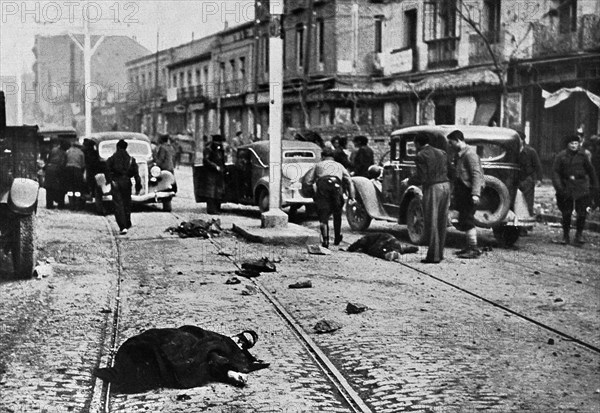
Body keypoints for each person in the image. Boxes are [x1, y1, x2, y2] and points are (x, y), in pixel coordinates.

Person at [408, 133, 451, 264]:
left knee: (432, 220)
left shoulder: (420, 155)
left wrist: (409, 181)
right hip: (446, 186)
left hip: (433, 188)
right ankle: (440, 253)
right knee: (442, 221)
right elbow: (451, 169)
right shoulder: (442, 152)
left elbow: (422, 178)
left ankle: (433, 256)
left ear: (417, 143)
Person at [303, 147, 355, 248]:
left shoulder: (318, 165)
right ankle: (337, 238)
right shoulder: (340, 166)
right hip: (337, 187)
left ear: (322, 156)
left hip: (323, 186)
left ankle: (325, 241)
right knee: (337, 213)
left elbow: (308, 180)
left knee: (323, 215)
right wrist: (351, 196)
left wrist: (313, 192)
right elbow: (349, 180)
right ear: (333, 158)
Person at [552, 135, 598, 245]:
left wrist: (595, 186)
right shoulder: (561, 156)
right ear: (567, 145)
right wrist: (559, 187)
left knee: (582, 213)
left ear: (579, 144)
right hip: (566, 186)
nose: (574, 146)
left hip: (581, 186)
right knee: (566, 212)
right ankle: (565, 236)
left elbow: (591, 171)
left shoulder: (583, 156)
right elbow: (555, 172)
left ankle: (579, 235)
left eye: (576, 143)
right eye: (571, 143)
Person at [447, 130, 484, 259]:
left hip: (469, 192)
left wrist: (475, 194)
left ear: (458, 140)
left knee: (468, 219)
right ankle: (469, 247)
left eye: (451, 143)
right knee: (464, 218)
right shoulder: (460, 155)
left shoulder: (470, 155)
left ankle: (473, 248)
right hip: (462, 191)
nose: (450, 145)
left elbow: (476, 174)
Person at [106, 139, 142, 235]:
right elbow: (136, 175)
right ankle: (127, 222)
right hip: (127, 182)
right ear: (126, 148)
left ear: (117, 147)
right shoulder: (131, 160)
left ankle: (122, 226)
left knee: (118, 204)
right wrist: (138, 187)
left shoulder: (112, 158)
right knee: (127, 203)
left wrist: (110, 181)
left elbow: (107, 170)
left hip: (116, 183)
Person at [517, 131, 543, 217]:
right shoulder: (512, 151)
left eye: (518, 139)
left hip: (527, 179)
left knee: (528, 202)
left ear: (522, 140)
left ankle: (527, 223)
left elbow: (538, 165)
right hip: (515, 179)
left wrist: (539, 179)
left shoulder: (531, 151)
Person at [203, 134, 226, 214]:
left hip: (219, 173)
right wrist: (215, 166)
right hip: (210, 173)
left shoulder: (220, 149)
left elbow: (222, 159)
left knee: (218, 191)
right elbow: (206, 160)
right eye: (217, 142)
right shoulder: (208, 149)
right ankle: (211, 209)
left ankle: (217, 208)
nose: (219, 144)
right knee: (211, 191)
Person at [44, 139, 67, 209]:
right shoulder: (64, 153)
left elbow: (48, 160)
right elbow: (63, 163)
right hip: (57, 170)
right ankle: (60, 204)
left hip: (49, 169)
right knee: (60, 188)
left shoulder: (53, 150)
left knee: (49, 188)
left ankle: (49, 204)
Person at [65, 142, 86, 210]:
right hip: (77, 170)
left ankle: (71, 204)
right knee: (77, 188)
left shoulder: (67, 151)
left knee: (70, 187)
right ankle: (77, 205)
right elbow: (83, 164)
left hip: (68, 170)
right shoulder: (81, 153)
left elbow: (65, 161)